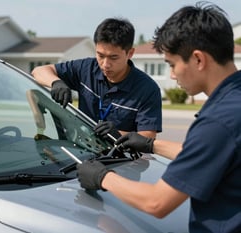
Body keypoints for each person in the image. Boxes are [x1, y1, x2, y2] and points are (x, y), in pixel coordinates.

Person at [76, 2, 241, 232]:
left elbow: (157, 202)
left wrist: (102, 177)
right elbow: (208, 153)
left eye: (172, 65)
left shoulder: (219, 121)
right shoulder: (235, 100)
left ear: (198, 59)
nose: (172, 75)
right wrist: (151, 144)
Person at [31, 17, 162, 140]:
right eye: (100, 55)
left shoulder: (147, 89)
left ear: (130, 53)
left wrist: (117, 134)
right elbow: (38, 71)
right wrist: (56, 82)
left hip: (122, 159)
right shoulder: (86, 68)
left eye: (113, 57)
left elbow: (148, 136)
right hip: (84, 151)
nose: (105, 64)